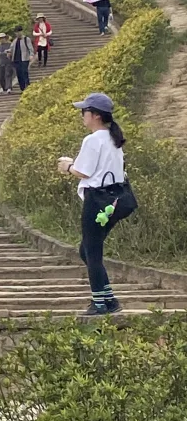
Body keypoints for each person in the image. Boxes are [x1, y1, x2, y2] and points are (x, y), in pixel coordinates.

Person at [57, 92, 130, 315]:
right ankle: (109, 299)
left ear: (95, 115)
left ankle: (99, 302)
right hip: (116, 200)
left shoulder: (93, 139)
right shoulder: (113, 137)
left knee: (92, 251)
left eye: (84, 112)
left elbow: (83, 171)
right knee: (86, 250)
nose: (82, 116)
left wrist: (67, 166)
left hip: (97, 201)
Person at [11, 26, 34, 91]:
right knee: (19, 74)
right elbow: (11, 49)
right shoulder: (14, 41)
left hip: (24, 59)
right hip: (16, 59)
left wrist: (31, 55)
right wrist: (9, 52)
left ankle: (27, 86)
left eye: (19, 32)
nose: (18, 33)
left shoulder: (26, 39)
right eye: (16, 32)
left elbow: (30, 48)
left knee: (24, 72)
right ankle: (22, 88)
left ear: (21, 31)